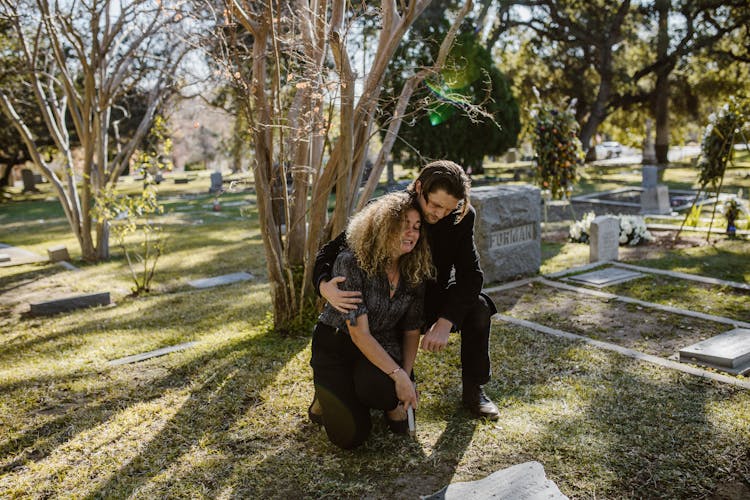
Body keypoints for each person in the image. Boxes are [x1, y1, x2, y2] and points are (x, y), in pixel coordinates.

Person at [313, 160, 500, 420]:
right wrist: (323, 285)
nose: (439, 214)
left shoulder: (461, 217)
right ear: (419, 188)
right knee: (389, 398)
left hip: (430, 301)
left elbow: (471, 276)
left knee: (478, 307)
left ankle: (474, 390)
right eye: (434, 205)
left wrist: (446, 322)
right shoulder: (390, 209)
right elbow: (330, 251)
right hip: (390, 307)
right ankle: (334, 386)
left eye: (449, 208)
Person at [309, 191, 434, 449]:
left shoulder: (414, 268)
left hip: (381, 343)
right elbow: (359, 334)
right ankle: (324, 395)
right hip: (338, 345)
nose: (411, 233)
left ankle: (359, 392)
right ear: (383, 227)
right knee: (352, 437)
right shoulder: (351, 262)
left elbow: (411, 330)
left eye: (416, 227)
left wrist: (406, 377)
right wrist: (398, 375)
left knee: (383, 392)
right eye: (403, 226)